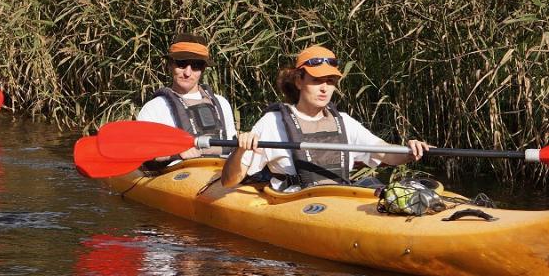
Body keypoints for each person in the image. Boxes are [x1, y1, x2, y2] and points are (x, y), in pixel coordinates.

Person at [221, 45, 430, 191]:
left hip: (339, 201)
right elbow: (230, 181)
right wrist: (240, 149)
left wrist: (409, 151)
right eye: (317, 80)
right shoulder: (272, 123)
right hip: (294, 203)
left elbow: (386, 154)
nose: (324, 88)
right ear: (299, 81)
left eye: (330, 81)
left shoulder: (344, 122)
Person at [137, 33, 236, 162]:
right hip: (175, 176)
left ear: (203, 69)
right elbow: (143, 153)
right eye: (181, 64)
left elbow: (233, 149)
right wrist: (176, 153)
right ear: (170, 65)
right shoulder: (154, 108)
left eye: (196, 66)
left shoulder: (222, 103)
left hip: (217, 173)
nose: (187, 73)